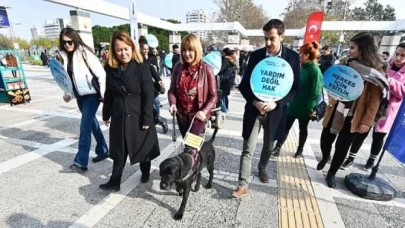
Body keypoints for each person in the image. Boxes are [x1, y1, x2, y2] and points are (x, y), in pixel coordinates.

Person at [232, 19, 301, 198]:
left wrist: (277, 103)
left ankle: (262, 167)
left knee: (269, 147)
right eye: (266, 39)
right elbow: (244, 85)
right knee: (248, 147)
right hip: (255, 110)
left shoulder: (292, 58)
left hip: (276, 112)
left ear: (282, 36)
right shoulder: (256, 56)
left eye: (272, 39)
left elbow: (295, 90)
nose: (268, 43)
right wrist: (255, 102)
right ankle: (242, 184)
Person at [317, 32, 384, 188]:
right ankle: (325, 156)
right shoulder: (345, 63)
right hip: (336, 110)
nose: (350, 50)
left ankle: (332, 173)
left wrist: (367, 122)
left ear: (363, 49)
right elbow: (331, 81)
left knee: (342, 146)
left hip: (354, 115)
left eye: (352, 47)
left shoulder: (375, 71)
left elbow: (375, 100)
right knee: (325, 139)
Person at [100, 30, 160, 191]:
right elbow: (108, 93)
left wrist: (148, 119)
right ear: (114, 51)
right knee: (119, 150)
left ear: (132, 48)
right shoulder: (111, 69)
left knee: (142, 148)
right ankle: (114, 180)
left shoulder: (142, 68)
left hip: (138, 115)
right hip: (119, 115)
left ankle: (145, 172)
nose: (123, 53)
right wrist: (105, 113)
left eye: (126, 48)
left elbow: (148, 95)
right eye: (119, 49)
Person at [340, 42, 405, 171]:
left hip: (388, 109)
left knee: (378, 136)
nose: (398, 58)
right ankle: (350, 158)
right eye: (397, 54)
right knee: (361, 132)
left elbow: (402, 92)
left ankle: (371, 161)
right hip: (373, 105)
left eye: (403, 55)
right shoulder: (386, 66)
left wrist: (390, 81)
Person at [57, 27, 109, 171]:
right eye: (64, 42)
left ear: (75, 39)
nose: (67, 45)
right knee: (92, 124)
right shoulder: (64, 57)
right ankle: (103, 150)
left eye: (70, 41)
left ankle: (81, 161)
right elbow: (67, 79)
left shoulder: (85, 53)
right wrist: (68, 93)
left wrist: (104, 95)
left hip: (92, 95)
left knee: (84, 127)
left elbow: (101, 75)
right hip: (79, 96)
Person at [272, 41, 323, 158]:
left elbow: (315, 91)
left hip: (305, 107)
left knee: (303, 129)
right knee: (285, 127)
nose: (298, 56)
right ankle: (278, 147)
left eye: (300, 54)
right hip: (294, 104)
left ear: (306, 55)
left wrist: (310, 108)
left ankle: (300, 150)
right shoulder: (302, 68)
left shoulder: (315, 70)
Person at [168, 34, 218, 141]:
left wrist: (204, 111)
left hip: (198, 116)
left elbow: (213, 95)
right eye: (184, 50)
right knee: (187, 142)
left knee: (190, 146)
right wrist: (172, 103)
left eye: (190, 50)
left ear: (197, 50)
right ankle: (196, 156)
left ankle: (194, 156)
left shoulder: (206, 69)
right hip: (181, 115)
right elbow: (172, 90)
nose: (187, 54)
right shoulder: (178, 67)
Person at [139, 37, 169, 134]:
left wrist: (159, 79)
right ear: (140, 48)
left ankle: (157, 120)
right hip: (142, 86)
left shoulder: (152, 56)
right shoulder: (138, 58)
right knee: (147, 106)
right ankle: (159, 120)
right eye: (144, 49)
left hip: (152, 86)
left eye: (147, 49)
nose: (146, 50)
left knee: (156, 104)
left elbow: (153, 70)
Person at [218, 48, 238, 113]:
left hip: (223, 80)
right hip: (229, 80)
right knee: (225, 95)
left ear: (225, 53)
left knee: (221, 95)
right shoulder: (232, 60)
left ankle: (224, 109)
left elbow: (221, 70)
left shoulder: (225, 59)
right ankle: (226, 108)